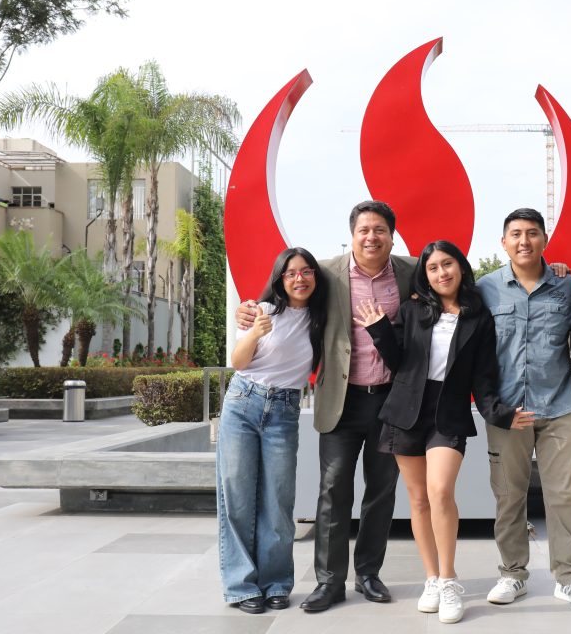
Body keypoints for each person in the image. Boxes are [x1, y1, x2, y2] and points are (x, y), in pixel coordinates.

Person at [236, 200, 417, 612]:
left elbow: (455, 281)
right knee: (333, 490)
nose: (371, 237)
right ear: (352, 234)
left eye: (380, 230)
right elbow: (287, 287)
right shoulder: (326, 272)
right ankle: (330, 582)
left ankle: (368, 574)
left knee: (381, 490)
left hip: (391, 401)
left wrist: (556, 271)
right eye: (364, 230)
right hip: (342, 399)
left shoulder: (411, 271)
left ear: (392, 235)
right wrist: (250, 309)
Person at [354, 240, 534, 624]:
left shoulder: (479, 317)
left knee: (440, 491)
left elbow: (484, 379)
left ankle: (450, 581)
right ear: (426, 275)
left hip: (447, 414)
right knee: (418, 499)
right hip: (405, 412)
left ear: (460, 267)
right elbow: (398, 361)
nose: (441, 273)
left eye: (447, 265)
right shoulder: (413, 309)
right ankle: (432, 579)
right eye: (433, 268)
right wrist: (378, 330)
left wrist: (499, 414)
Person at [476, 208, 571, 609]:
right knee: (509, 495)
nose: (524, 241)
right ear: (503, 242)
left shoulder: (567, 287)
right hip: (508, 413)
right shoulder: (485, 289)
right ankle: (513, 574)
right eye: (515, 234)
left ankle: (569, 578)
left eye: (532, 234)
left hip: (558, 406)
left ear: (544, 240)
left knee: (563, 495)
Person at [218, 247, 328, 614]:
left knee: (278, 502)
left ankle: (277, 583)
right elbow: (237, 362)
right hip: (243, 403)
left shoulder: (322, 318)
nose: (300, 278)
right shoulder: (260, 311)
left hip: (284, 410)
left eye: (307, 271)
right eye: (291, 272)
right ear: (280, 278)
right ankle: (241, 586)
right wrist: (253, 332)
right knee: (238, 498)